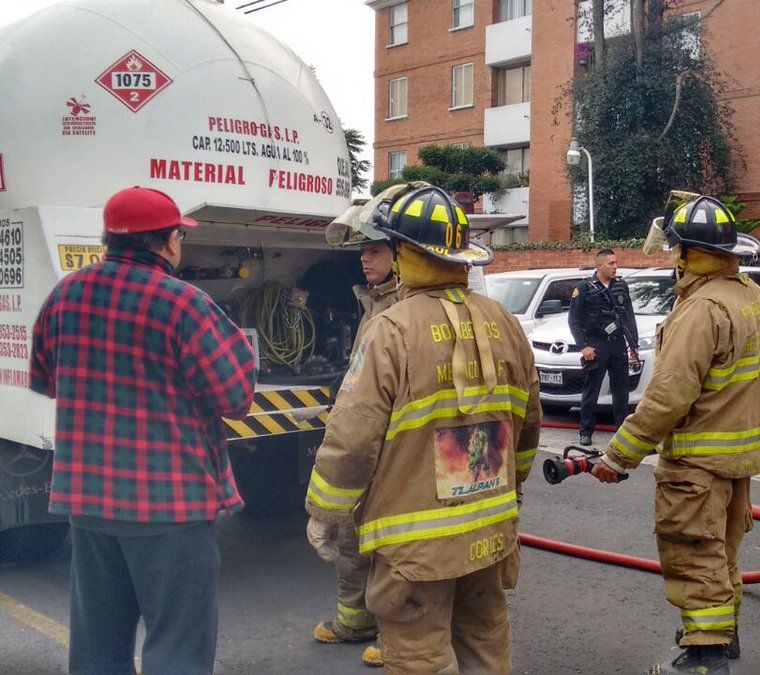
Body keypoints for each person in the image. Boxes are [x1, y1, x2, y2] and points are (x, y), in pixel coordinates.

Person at [304, 185, 541, 674]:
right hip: (489, 529)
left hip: (415, 543)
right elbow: (529, 423)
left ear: (404, 253)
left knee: (420, 658)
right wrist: (512, 490)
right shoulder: (504, 322)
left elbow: (353, 438)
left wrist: (325, 511)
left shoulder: (391, 329)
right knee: (486, 647)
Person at [29, 186, 256, 674]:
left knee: (97, 649)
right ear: (169, 241)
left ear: (109, 238)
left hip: (88, 503)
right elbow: (236, 397)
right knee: (177, 650)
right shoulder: (184, 304)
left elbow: (46, 380)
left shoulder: (66, 295)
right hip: (170, 508)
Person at [592, 194, 760, 675]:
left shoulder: (701, 309)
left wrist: (618, 456)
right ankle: (724, 634)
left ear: (689, 253)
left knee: (694, 553)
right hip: (737, 459)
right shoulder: (751, 295)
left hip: (696, 462)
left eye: (676, 248)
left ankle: (705, 656)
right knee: (723, 551)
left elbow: (668, 396)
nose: (673, 256)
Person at [311, 184, 415, 667]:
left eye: (374, 250)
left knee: (394, 545)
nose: (363, 258)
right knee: (355, 535)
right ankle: (354, 621)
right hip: (370, 440)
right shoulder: (375, 300)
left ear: (401, 254)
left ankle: (400, 636)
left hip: (397, 447)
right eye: (362, 250)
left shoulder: (407, 306)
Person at [568, 248, 638, 446]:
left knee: (621, 391)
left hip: (617, 344)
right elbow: (574, 320)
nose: (615, 267)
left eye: (616, 263)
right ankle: (585, 432)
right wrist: (583, 346)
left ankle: (622, 432)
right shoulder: (584, 288)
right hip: (596, 345)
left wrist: (633, 344)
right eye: (611, 263)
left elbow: (629, 316)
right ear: (599, 266)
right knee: (592, 390)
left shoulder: (621, 286)